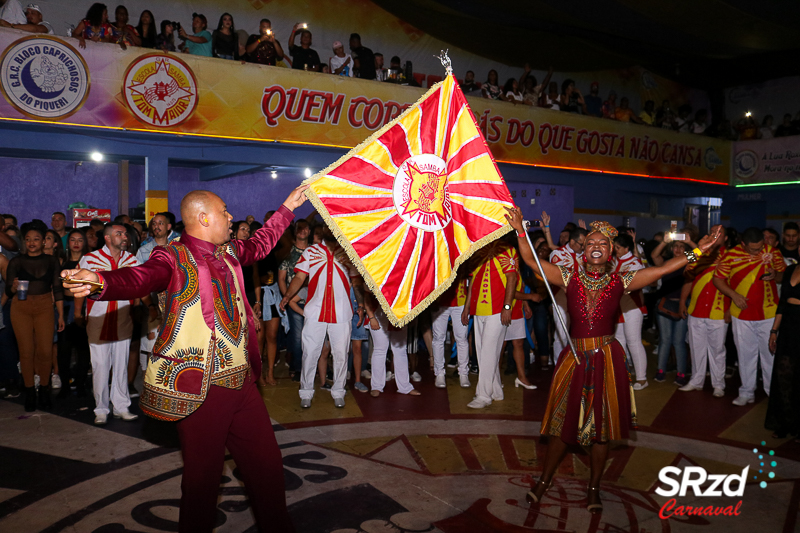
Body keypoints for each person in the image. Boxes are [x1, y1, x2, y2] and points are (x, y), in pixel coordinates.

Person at [62, 187, 307, 533]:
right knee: (202, 482)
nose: (230, 217)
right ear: (204, 218)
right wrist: (101, 281)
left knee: (267, 467)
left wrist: (287, 207)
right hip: (200, 388)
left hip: (243, 384)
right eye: (224, 212)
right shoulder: (172, 257)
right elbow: (140, 277)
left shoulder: (231, 251)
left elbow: (263, 242)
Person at [507, 209, 719, 512]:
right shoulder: (568, 277)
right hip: (574, 358)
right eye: (590, 241)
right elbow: (531, 261)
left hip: (606, 358)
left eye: (603, 244)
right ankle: (543, 481)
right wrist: (518, 229)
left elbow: (664, 270)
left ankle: (594, 488)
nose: (595, 246)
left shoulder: (622, 281)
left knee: (601, 428)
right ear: (582, 249)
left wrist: (700, 250)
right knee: (562, 426)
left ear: (611, 252)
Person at [280, 224, 364, 408]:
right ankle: (306, 392)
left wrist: (361, 304)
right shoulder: (311, 252)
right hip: (315, 311)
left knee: (341, 354)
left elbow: (356, 281)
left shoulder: (349, 252)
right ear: (323, 230)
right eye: (328, 227)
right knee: (310, 353)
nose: (332, 230)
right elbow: (300, 277)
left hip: (341, 312)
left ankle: (339, 391)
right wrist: (287, 295)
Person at [73, 224, 141, 424]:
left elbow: (139, 286)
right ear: (108, 238)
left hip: (122, 318)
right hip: (98, 318)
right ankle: (101, 409)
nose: (125, 237)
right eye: (119, 233)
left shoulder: (132, 259)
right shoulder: (90, 259)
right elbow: (79, 285)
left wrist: (137, 307)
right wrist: (78, 312)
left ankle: (121, 406)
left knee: (121, 364)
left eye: (125, 234)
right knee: (100, 365)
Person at [713, 227, 786, 405]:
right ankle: (746, 391)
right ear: (743, 244)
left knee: (770, 355)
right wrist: (734, 295)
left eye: (761, 247)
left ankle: (772, 393)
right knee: (745, 355)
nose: (758, 251)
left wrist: (776, 275)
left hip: (768, 313)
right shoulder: (729, 255)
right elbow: (717, 279)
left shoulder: (773, 252)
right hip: (741, 314)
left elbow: (782, 277)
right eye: (753, 249)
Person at [6, 225, 64, 411]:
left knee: (45, 351)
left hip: (45, 305)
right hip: (20, 307)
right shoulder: (16, 262)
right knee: (26, 351)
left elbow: (57, 288)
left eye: (36, 239)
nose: (32, 242)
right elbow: (8, 289)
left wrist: (61, 314)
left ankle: (45, 389)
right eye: (28, 239)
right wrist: (13, 288)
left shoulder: (52, 261)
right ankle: (30, 391)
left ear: (44, 241)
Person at [461, 237, 523, 409]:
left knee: (488, 352)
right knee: (484, 354)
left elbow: (512, 279)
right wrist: (467, 307)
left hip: (497, 309)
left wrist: (507, 306)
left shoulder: (506, 249)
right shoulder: (479, 249)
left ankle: (483, 395)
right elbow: (472, 280)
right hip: (479, 309)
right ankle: (496, 391)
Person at [679, 226, 728, 396]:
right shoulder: (697, 253)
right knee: (696, 348)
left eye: (719, 233)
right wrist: (682, 301)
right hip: (697, 309)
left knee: (717, 350)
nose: (715, 235)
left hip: (719, 310)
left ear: (726, 238)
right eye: (713, 232)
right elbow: (687, 274)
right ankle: (696, 381)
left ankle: (718, 384)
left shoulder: (730, 255)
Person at [545, 215, 587, 363]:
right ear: (572, 241)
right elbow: (559, 277)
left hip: (582, 299)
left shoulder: (585, 255)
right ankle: (559, 365)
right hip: (562, 299)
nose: (583, 247)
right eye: (581, 244)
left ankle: (578, 365)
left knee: (580, 334)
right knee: (562, 334)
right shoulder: (558, 254)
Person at [766, 262, 800, 438]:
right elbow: (782, 302)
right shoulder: (790, 270)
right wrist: (774, 331)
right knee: (783, 375)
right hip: (787, 326)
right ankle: (785, 423)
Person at [611, 233, 649, 389]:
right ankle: (623, 373)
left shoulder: (634, 263)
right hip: (619, 308)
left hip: (632, 306)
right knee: (619, 342)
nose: (615, 250)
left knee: (634, 341)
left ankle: (641, 378)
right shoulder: (614, 262)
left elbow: (632, 285)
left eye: (618, 247)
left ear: (627, 248)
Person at [364, 291, 419, 397]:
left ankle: (405, 387)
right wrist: (371, 317)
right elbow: (366, 292)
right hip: (378, 313)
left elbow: (410, 293)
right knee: (380, 350)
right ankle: (376, 386)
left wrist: (412, 314)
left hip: (399, 313)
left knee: (400, 351)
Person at [57, 229, 91, 399]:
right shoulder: (61, 261)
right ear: (67, 243)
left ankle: (81, 384)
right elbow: (56, 289)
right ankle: (64, 386)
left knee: (83, 350)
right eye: (72, 240)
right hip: (65, 309)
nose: (76, 243)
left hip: (84, 309)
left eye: (80, 239)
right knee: (64, 350)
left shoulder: (89, 262)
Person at [653, 240, 691, 386]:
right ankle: (660, 370)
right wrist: (664, 241)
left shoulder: (689, 262)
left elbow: (699, 254)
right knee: (665, 339)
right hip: (665, 304)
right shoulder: (665, 263)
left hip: (683, 304)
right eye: (676, 246)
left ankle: (681, 372)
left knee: (679, 341)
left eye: (682, 247)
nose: (678, 249)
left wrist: (690, 242)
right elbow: (654, 255)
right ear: (671, 248)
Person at [278, 219, 310, 382]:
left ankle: (312, 367)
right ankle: (297, 368)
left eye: (306, 229)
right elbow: (282, 278)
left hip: (313, 300)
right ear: (295, 231)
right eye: (300, 228)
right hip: (294, 301)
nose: (302, 231)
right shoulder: (289, 253)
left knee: (313, 337)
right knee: (297, 337)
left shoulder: (314, 252)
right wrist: (287, 298)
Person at [431, 276, 471, 389]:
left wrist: (467, 306)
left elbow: (471, 282)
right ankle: (439, 373)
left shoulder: (464, 259)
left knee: (462, 338)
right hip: (439, 302)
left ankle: (463, 373)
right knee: (438, 338)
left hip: (461, 302)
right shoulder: (438, 258)